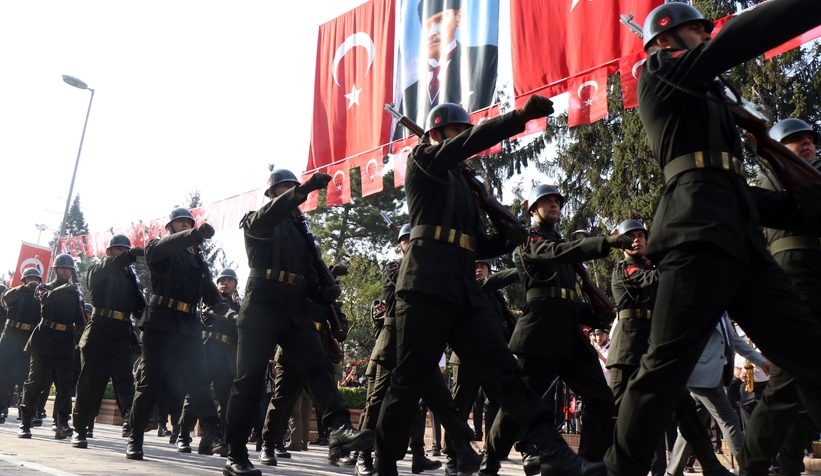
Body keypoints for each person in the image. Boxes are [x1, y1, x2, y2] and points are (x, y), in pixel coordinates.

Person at [604, 3, 821, 476]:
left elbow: (740, 189)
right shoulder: (659, 72)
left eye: (707, 29)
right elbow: (735, 41)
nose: (706, 34)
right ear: (664, 40)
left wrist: (803, 202)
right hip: (696, 234)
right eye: (696, 29)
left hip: (742, 240)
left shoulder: (711, 98)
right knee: (663, 370)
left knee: (810, 353)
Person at [375, 98, 608, 476]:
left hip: (465, 290)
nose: (463, 137)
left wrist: (507, 238)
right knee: (408, 381)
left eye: (464, 131)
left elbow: (476, 243)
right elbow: (469, 144)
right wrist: (518, 118)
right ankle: (384, 462)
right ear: (435, 133)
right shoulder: (422, 159)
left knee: (504, 371)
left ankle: (553, 450)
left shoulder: (465, 186)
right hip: (425, 284)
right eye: (457, 131)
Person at [222, 169, 373, 476]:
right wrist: (304, 188)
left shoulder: (302, 231)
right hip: (261, 306)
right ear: (272, 194)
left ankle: (339, 428)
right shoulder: (257, 219)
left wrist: (323, 292)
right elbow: (273, 213)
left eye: (294, 187)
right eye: (286, 188)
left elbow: (309, 275)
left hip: (295, 308)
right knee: (248, 382)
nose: (293, 193)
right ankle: (235, 453)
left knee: (318, 367)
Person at [483, 185, 629, 476]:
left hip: (570, 335)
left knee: (601, 399)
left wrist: (596, 314)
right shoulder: (530, 240)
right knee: (518, 403)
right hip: (540, 334)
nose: (554, 205)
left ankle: (588, 463)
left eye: (557, 201)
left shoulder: (560, 243)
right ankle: (490, 461)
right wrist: (604, 242)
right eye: (546, 201)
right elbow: (553, 255)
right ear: (533, 210)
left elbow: (567, 296)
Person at [358, 224, 477, 476]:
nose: (410, 242)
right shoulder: (393, 267)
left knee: (441, 400)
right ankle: (363, 455)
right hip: (393, 344)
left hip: (420, 343)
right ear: (398, 245)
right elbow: (403, 286)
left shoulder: (429, 270)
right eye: (406, 239)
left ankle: (461, 448)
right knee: (376, 403)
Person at [740, 118, 820, 476]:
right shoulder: (777, 177)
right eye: (796, 140)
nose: (808, 145)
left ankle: (777, 466)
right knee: (789, 382)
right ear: (775, 149)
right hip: (798, 278)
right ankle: (756, 466)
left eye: (810, 140)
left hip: (812, 276)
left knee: (791, 388)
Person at [125, 207, 227, 460]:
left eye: (188, 223)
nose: (185, 225)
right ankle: (135, 436)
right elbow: (164, 247)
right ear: (169, 227)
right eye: (180, 223)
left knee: (199, 381)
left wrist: (217, 302)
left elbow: (205, 290)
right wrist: (194, 235)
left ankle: (212, 433)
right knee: (149, 382)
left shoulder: (197, 259)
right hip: (161, 322)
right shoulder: (158, 247)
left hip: (189, 326)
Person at [664, 313, 768, 475]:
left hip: (714, 375)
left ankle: (672, 471)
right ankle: (751, 470)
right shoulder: (701, 308)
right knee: (730, 420)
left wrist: (761, 361)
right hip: (701, 374)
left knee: (692, 423)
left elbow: (736, 341)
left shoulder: (723, 313)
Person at [71, 235, 144, 449]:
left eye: (125, 249)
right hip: (98, 330)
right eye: (118, 249)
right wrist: (129, 255)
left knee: (125, 379)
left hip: (122, 332)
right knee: (88, 383)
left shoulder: (132, 277)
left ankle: (131, 420)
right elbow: (109, 266)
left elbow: (139, 308)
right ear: (109, 252)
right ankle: (80, 428)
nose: (122, 252)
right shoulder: (99, 269)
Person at [395, 0, 497, 139]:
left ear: (459, 16)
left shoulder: (484, 58)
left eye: (440, 20)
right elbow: (402, 144)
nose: (432, 32)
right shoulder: (410, 94)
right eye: (427, 26)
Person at [19, 254, 84, 439]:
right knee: (35, 382)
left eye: (69, 269)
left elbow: (79, 318)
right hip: (44, 339)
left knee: (64, 383)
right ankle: (26, 421)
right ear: (55, 269)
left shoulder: (75, 291)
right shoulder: (44, 287)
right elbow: (47, 299)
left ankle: (62, 422)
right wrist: (67, 289)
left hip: (65, 341)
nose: (66, 271)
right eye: (63, 268)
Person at [176, 267, 241, 452]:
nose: (224, 283)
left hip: (227, 357)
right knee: (195, 395)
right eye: (221, 280)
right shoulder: (210, 298)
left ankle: (215, 439)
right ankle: (183, 435)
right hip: (207, 351)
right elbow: (217, 312)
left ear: (235, 285)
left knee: (228, 400)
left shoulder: (239, 305)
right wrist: (236, 317)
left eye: (229, 280)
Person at [0, 268, 42, 427]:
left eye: (36, 279)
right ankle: (0, 408)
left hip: (29, 339)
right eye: (30, 278)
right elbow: (6, 298)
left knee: (28, 377)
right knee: (4, 374)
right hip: (11, 336)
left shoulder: (40, 298)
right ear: (23, 280)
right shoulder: (15, 293)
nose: (33, 281)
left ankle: (26, 411)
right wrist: (24, 289)